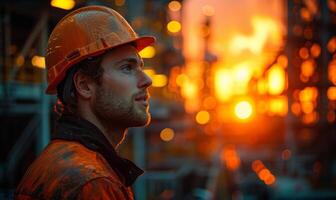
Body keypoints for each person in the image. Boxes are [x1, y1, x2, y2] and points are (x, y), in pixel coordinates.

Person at [15, 5, 155, 199]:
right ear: (84, 85)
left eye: (140, 66)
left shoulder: (58, 163)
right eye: (127, 68)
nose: (147, 80)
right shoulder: (92, 182)